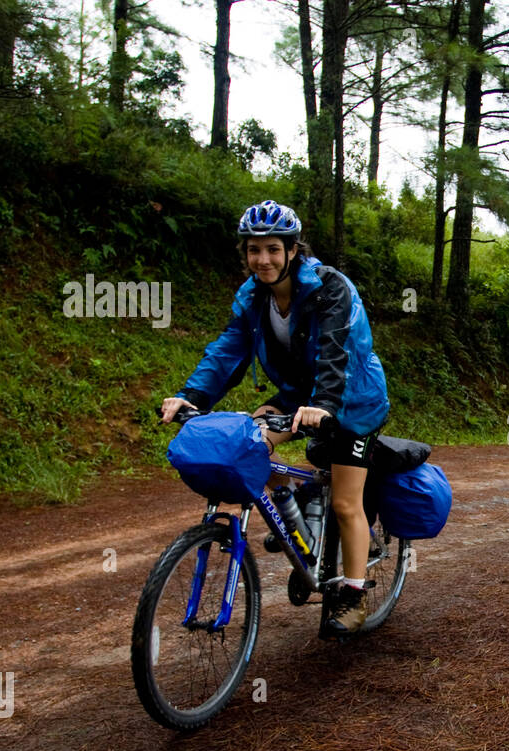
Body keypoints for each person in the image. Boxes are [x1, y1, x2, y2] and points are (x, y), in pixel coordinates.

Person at [160, 200, 389, 638]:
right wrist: (188, 396)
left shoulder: (330, 288)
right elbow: (227, 351)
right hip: (300, 396)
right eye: (253, 250)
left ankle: (354, 595)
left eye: (272, 249)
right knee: (250, 445)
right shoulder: (252, 297)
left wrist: (322, 403)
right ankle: (299, 524)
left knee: (345, 501)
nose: (262, 260)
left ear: (292, 250)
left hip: (353, 401)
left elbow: (335, 353)